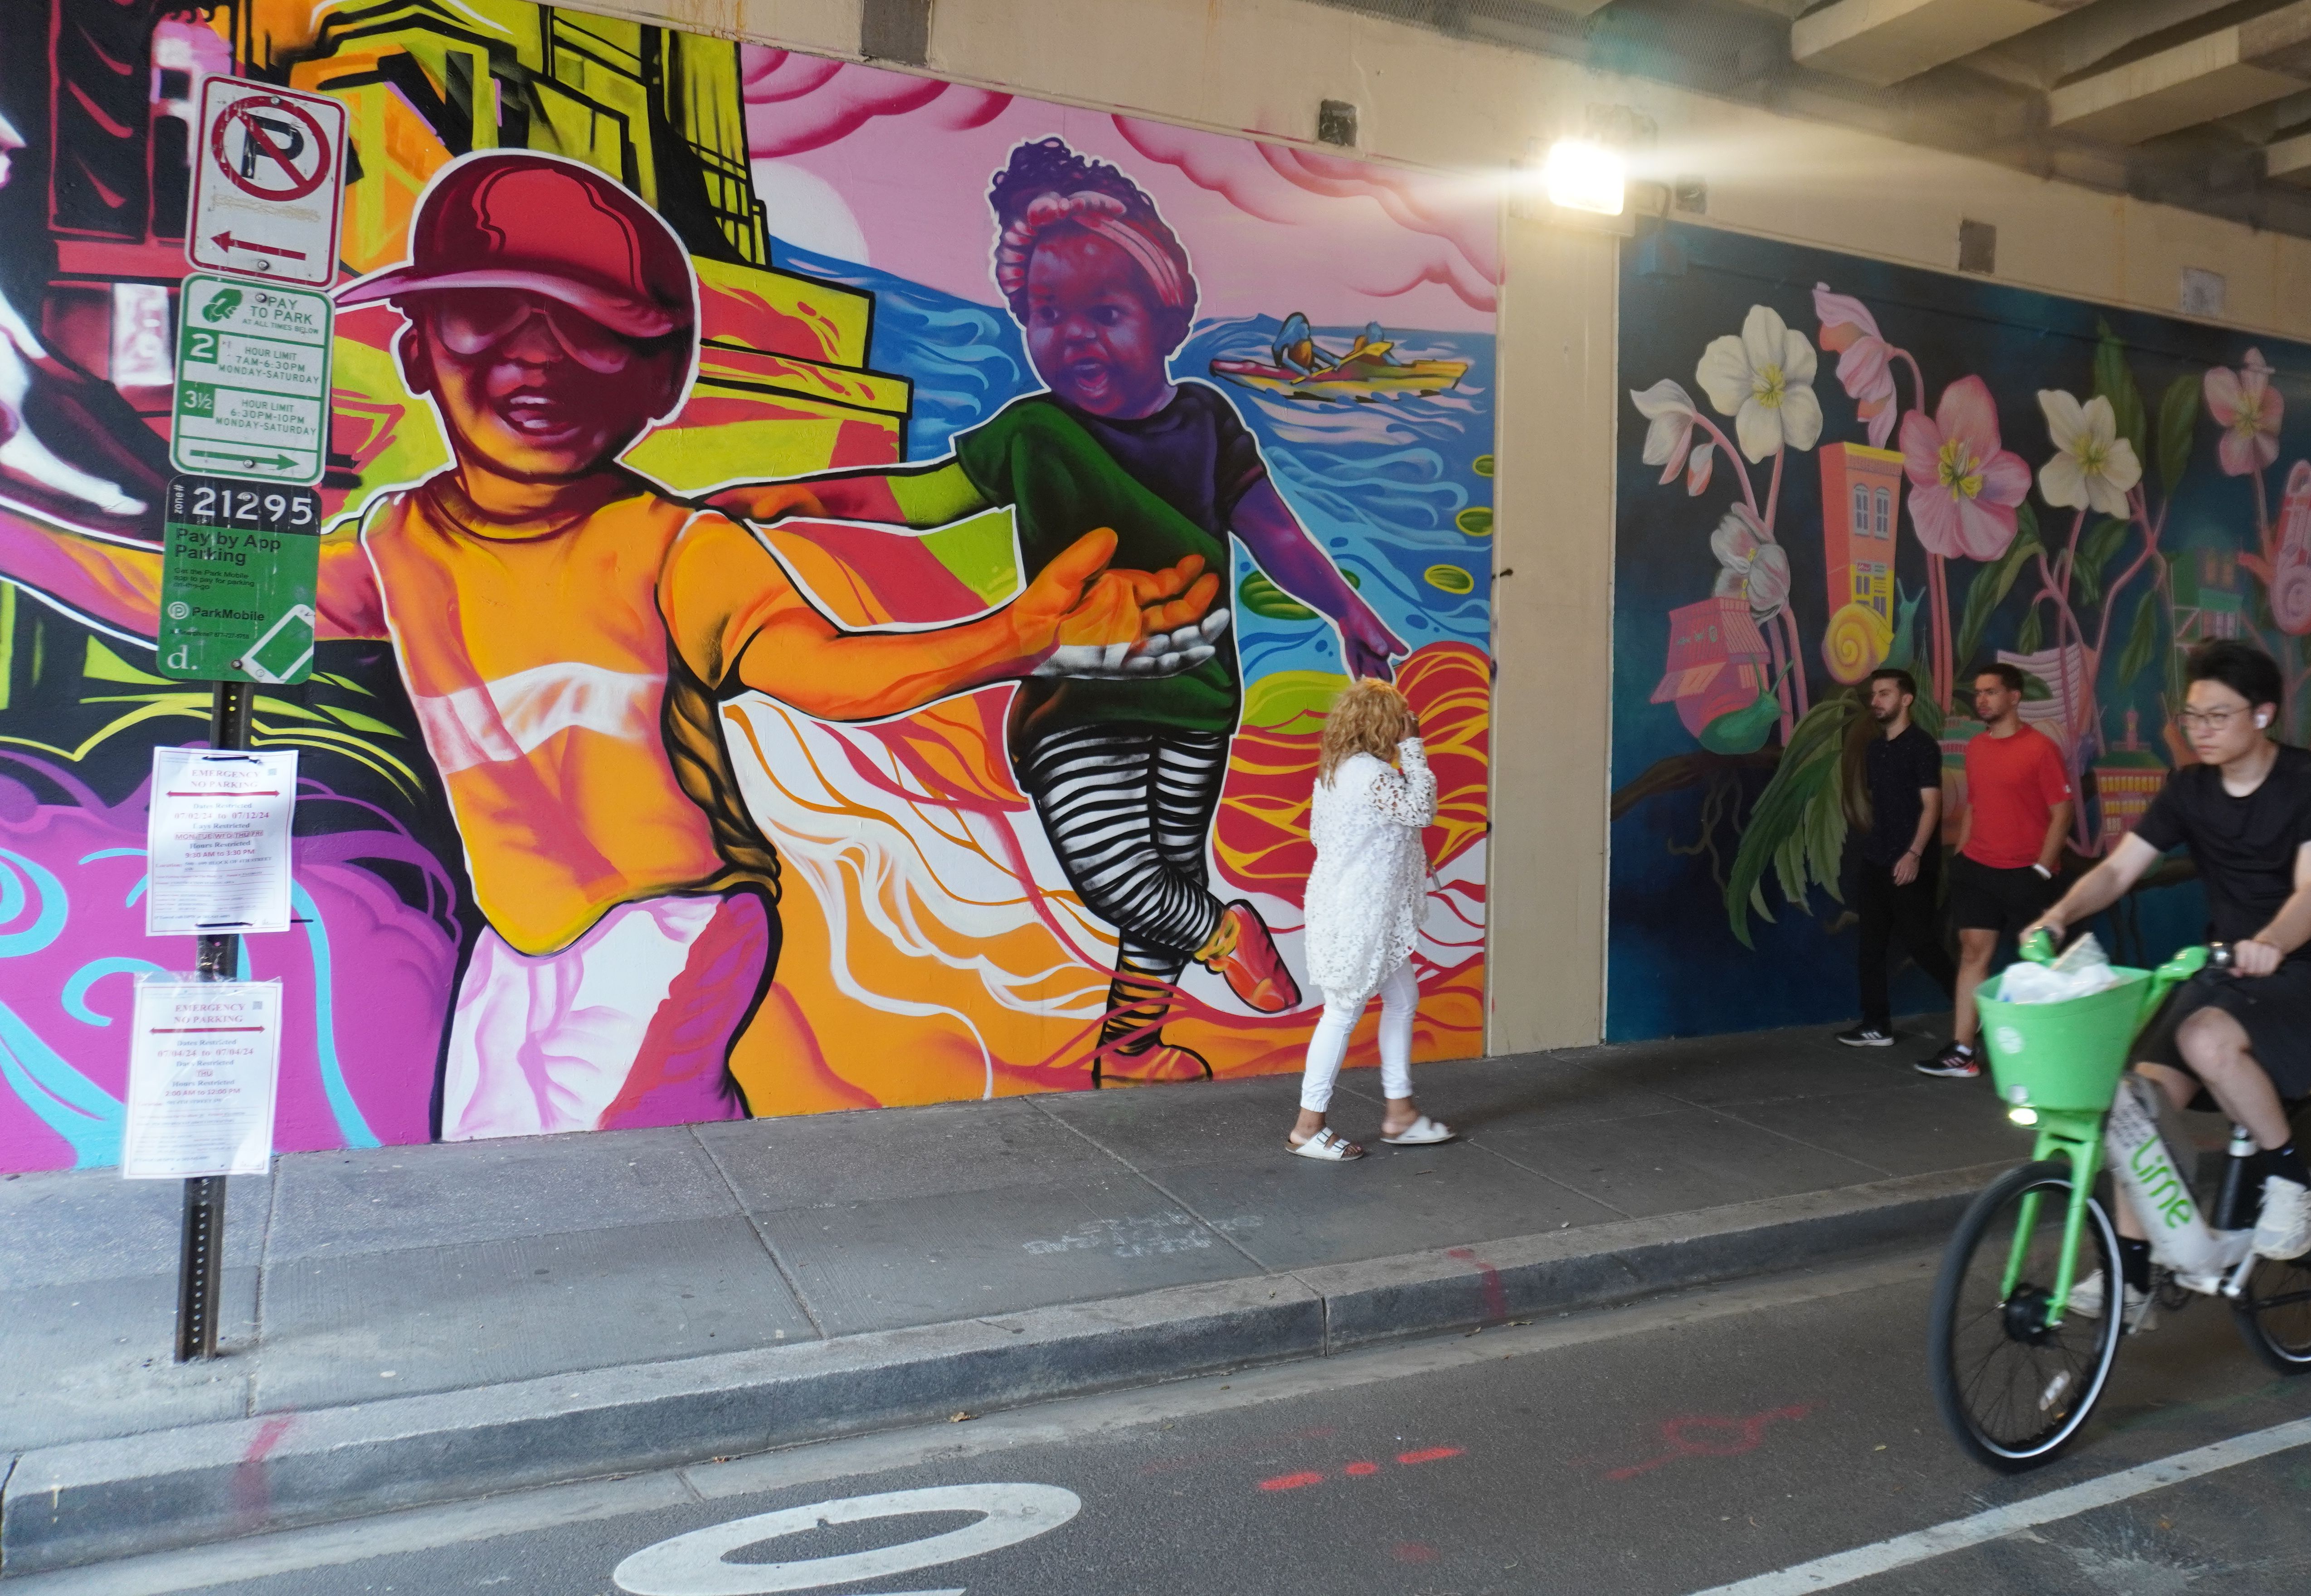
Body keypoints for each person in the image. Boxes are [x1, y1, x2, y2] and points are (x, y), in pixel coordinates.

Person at [0, 151, 1224, 1139]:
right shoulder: (398, 548)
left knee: (572, 1158)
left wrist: (1019, 635)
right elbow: (181, 592)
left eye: (589, 330)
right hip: (518, 940)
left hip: (677, 921)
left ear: (656, 381)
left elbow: (838, 671)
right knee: (507, 1146)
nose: (532, 356)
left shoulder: (675, 548)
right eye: (484, 318)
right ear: (420, 353)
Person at [720, 140, 1408, 1085]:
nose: (1073, 334)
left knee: (1162, 866)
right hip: (1073, 705)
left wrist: (1348, 610)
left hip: (1198, 700)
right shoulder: (1032, 432)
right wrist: (798, 499)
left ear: (1168, 317)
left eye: (1105, 312)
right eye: (1048, 314)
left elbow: (1274, 534)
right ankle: (1222, 929)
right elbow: (921, 503)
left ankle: (1130, 1048)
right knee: (1108, 867)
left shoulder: (1205, 421)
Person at [2028, 641, 2311, 1309]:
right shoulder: (2188, 789)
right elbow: (2121, 869)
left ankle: (2294, 1181)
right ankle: (2133, 1280)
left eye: (2219, 716)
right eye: (2193, 717)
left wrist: (2271, 942)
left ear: (2264, 714)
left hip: (2310, 969)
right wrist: (2060, 914)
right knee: (2138, 1111)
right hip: (2227, 968)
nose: (2203, 731)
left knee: (2206, 1039)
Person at [1287, 680, 1453, 1160]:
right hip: (1360, 911)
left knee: (1403, 998)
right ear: (1386, 723)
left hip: (1355, 906)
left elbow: (1325, 835)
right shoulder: (1372, 773)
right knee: (1341, 1012)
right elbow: (1422, 809)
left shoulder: (1337, 772)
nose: (1407, 722)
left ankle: (1400, 1114)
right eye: (1402, 717)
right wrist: (1414, 747)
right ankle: (1307, 1126)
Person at [1917, 660, 2071, 1079]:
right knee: (1972, 955)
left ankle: (2050, 1058)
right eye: (1979, 693)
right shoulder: (1978, 747)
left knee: (2038, 963)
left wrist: (2041, 869)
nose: (1982, 699)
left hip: (2026, 874)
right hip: (1978, 871)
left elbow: (2062, 813)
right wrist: (1964, 855)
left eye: (1991, 692)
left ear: (2014, 697)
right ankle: (1963, 1051)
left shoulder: (2040, 749)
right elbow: (1975, 805)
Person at [1839, 667, 1956, 1048]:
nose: (1876, 701)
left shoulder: (1922, 746)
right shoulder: (1876, 749)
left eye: (1885, 694)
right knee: (1870, 946)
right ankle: (1877, 1025)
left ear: (1906, 700)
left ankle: (1973, 1009)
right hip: (1877, 859)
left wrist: (1914, 854)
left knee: (1921, 942)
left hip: (1911, 862)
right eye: (1874, 694)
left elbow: (1931, 806)